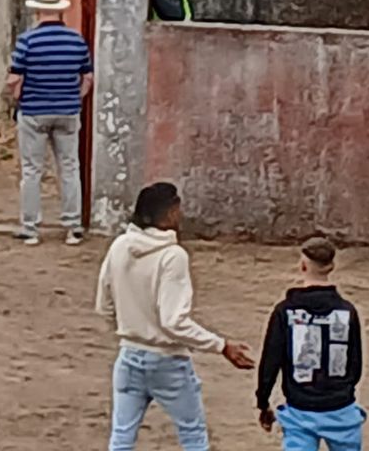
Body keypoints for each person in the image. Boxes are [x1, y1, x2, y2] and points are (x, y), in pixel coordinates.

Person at [96, 182, 256, 451]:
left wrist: (129, 328)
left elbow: (104, 305)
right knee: (192, 434)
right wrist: (221, 346)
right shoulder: (172, 256)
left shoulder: (120, 246)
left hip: (129, 356)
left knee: (122, 437)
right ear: (170, 213)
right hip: (167, 360)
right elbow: (173, 322)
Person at [255, 236, 365, 450]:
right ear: (331, 266)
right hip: (341, 408)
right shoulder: (347, 311)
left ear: (303, 266)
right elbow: (356, 363)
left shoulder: (284, 311)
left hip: (300, 408)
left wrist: (263, 402)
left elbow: (270, 362)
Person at [7, 0, 92, 247]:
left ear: (38, 12)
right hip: (67, 110)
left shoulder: (27, 41)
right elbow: (87, 76)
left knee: (32, 170)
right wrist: (77, 97)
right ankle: (73, 226)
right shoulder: (76, 40)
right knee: (69, 167)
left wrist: (18, 96)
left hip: (34, 111)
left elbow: (14, 78)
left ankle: (30, 228)